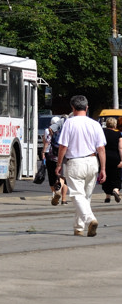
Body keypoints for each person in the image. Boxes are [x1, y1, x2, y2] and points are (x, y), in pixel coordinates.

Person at [55, 95, 107, 237]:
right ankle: (79, 228)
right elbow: (101, 148)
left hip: (75, 162)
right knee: (86, 196)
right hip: (92, 161)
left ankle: (90, 219)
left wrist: (59, 164)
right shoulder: (95, 124)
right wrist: (103, 169)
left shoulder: (69, 123)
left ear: (72, 107)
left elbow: (63, 146)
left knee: (77, 194)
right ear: (87, 107)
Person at [44, 116, 68, 206]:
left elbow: (46, 142)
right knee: (63, 178)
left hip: (51, 156)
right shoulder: (70, 126)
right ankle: (64, 199)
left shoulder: (51, 131)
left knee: (52, 177)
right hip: (65, 155)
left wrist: (43, 152)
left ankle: (55, 193)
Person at [102, 116, 122, 203]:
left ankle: (107, 196)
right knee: (116, 176)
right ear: (115, 125)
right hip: (115, 158)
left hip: (104, 158)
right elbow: (120, 148)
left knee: (106, 176)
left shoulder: (102, 133)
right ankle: (116, 190)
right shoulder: (118, 135)